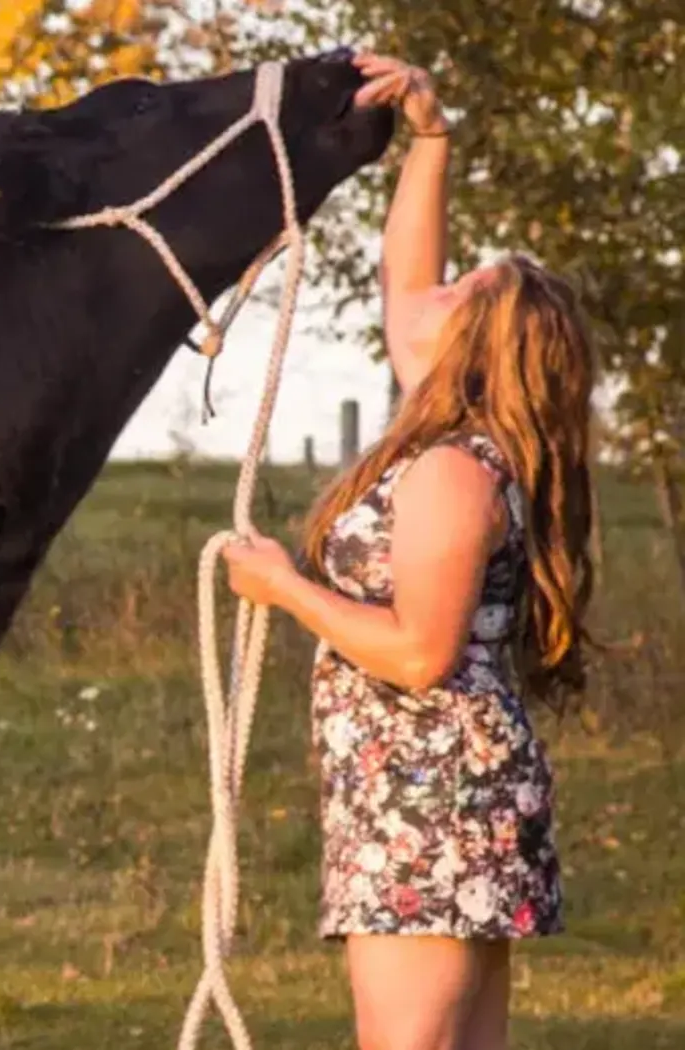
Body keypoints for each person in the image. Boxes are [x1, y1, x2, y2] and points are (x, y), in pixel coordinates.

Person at [218, 53, 599, 1050]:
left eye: (462, 288)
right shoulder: (454, 448)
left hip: (430, 801)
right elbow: (404, 272)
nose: (432, 286)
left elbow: (420, 653)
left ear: (472, 347)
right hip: (430, 794)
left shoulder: (450, 474)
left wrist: (284, 589)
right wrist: (428, 138)